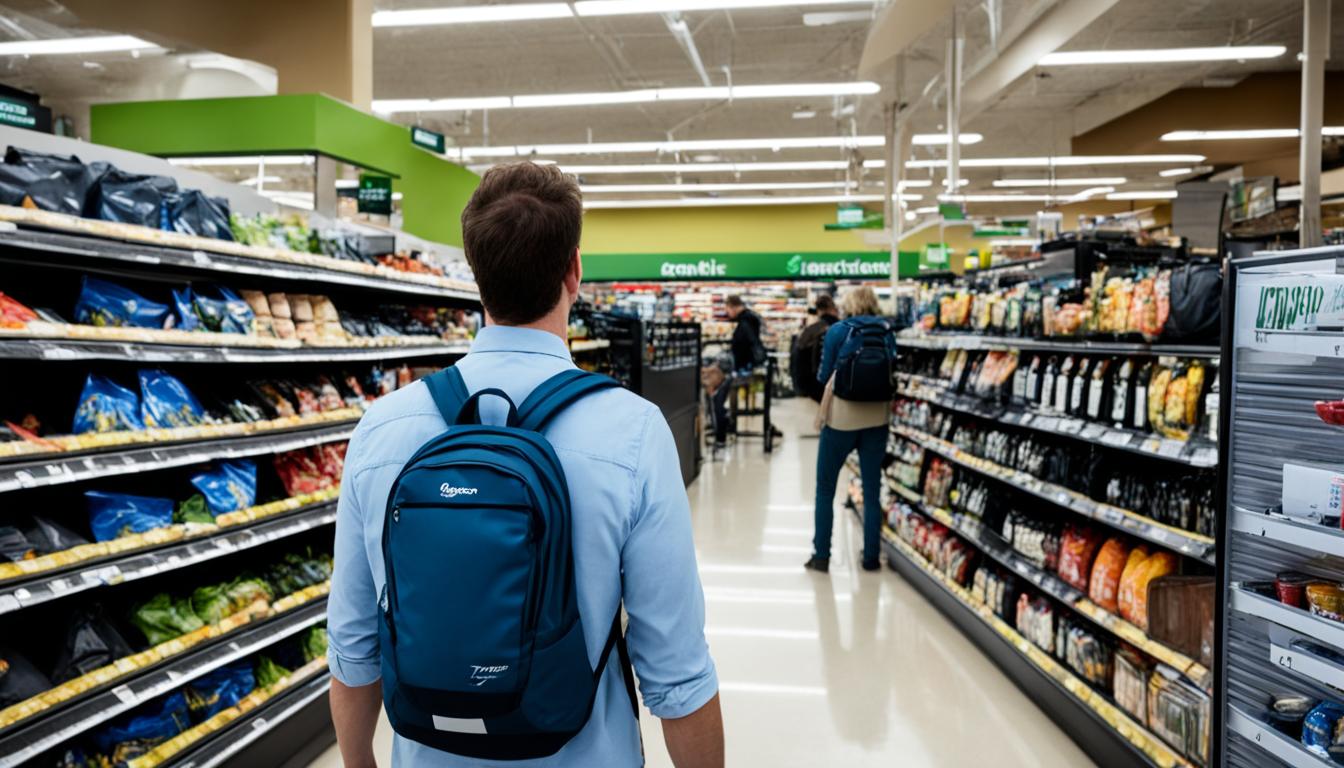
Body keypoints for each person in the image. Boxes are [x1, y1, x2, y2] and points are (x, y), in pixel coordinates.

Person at [327, 162, 723, 768]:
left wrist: (359, 763)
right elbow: (676, 669)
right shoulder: (633, 431)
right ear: (575, 271)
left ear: (475, 276)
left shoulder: (383, 427)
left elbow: (354, 648)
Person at [805, 286, 892, 574]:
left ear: (849, 305)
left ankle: (821, 556)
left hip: (841, 419)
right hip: (877, 418)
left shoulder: (838, 331)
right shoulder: (887, 331)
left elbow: (822, 375)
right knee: (871, 489)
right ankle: (870, 557)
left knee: (825, 488)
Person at [790, 294, 840, 403]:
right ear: (833, 308)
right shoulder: (842, 327)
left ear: (818, 310)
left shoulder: (810, 330)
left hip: (813, 382)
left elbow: (797, 357)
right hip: (836, 382)